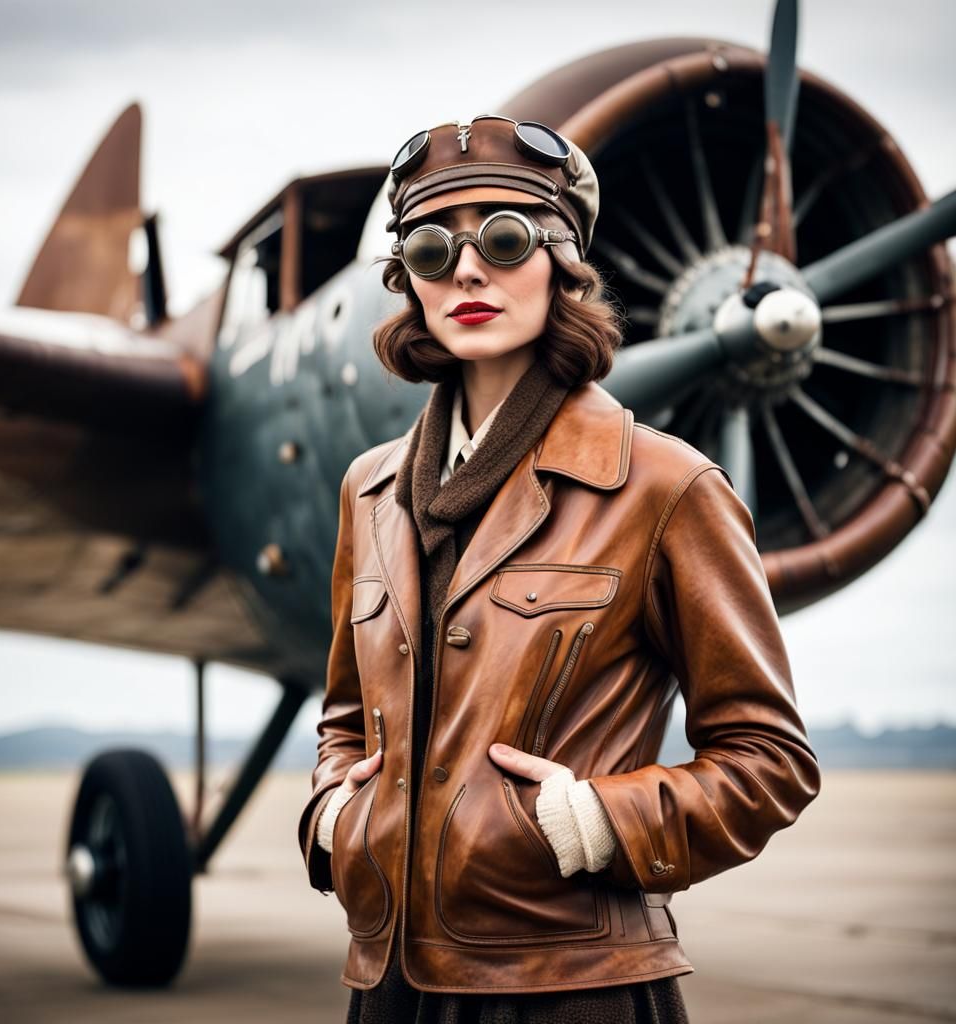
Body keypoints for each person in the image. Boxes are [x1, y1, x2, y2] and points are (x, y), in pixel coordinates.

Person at [298, 115, 821, 1023]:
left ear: (563, 264)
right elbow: (345, 720)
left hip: (577, 988)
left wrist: (598, 823)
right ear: (409, 283)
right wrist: (337, 822)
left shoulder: (665, 486)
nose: (467, 269)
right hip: (384, 988)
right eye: (431, 249)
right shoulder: (368, 491)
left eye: (504, 239)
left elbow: (771, 761)